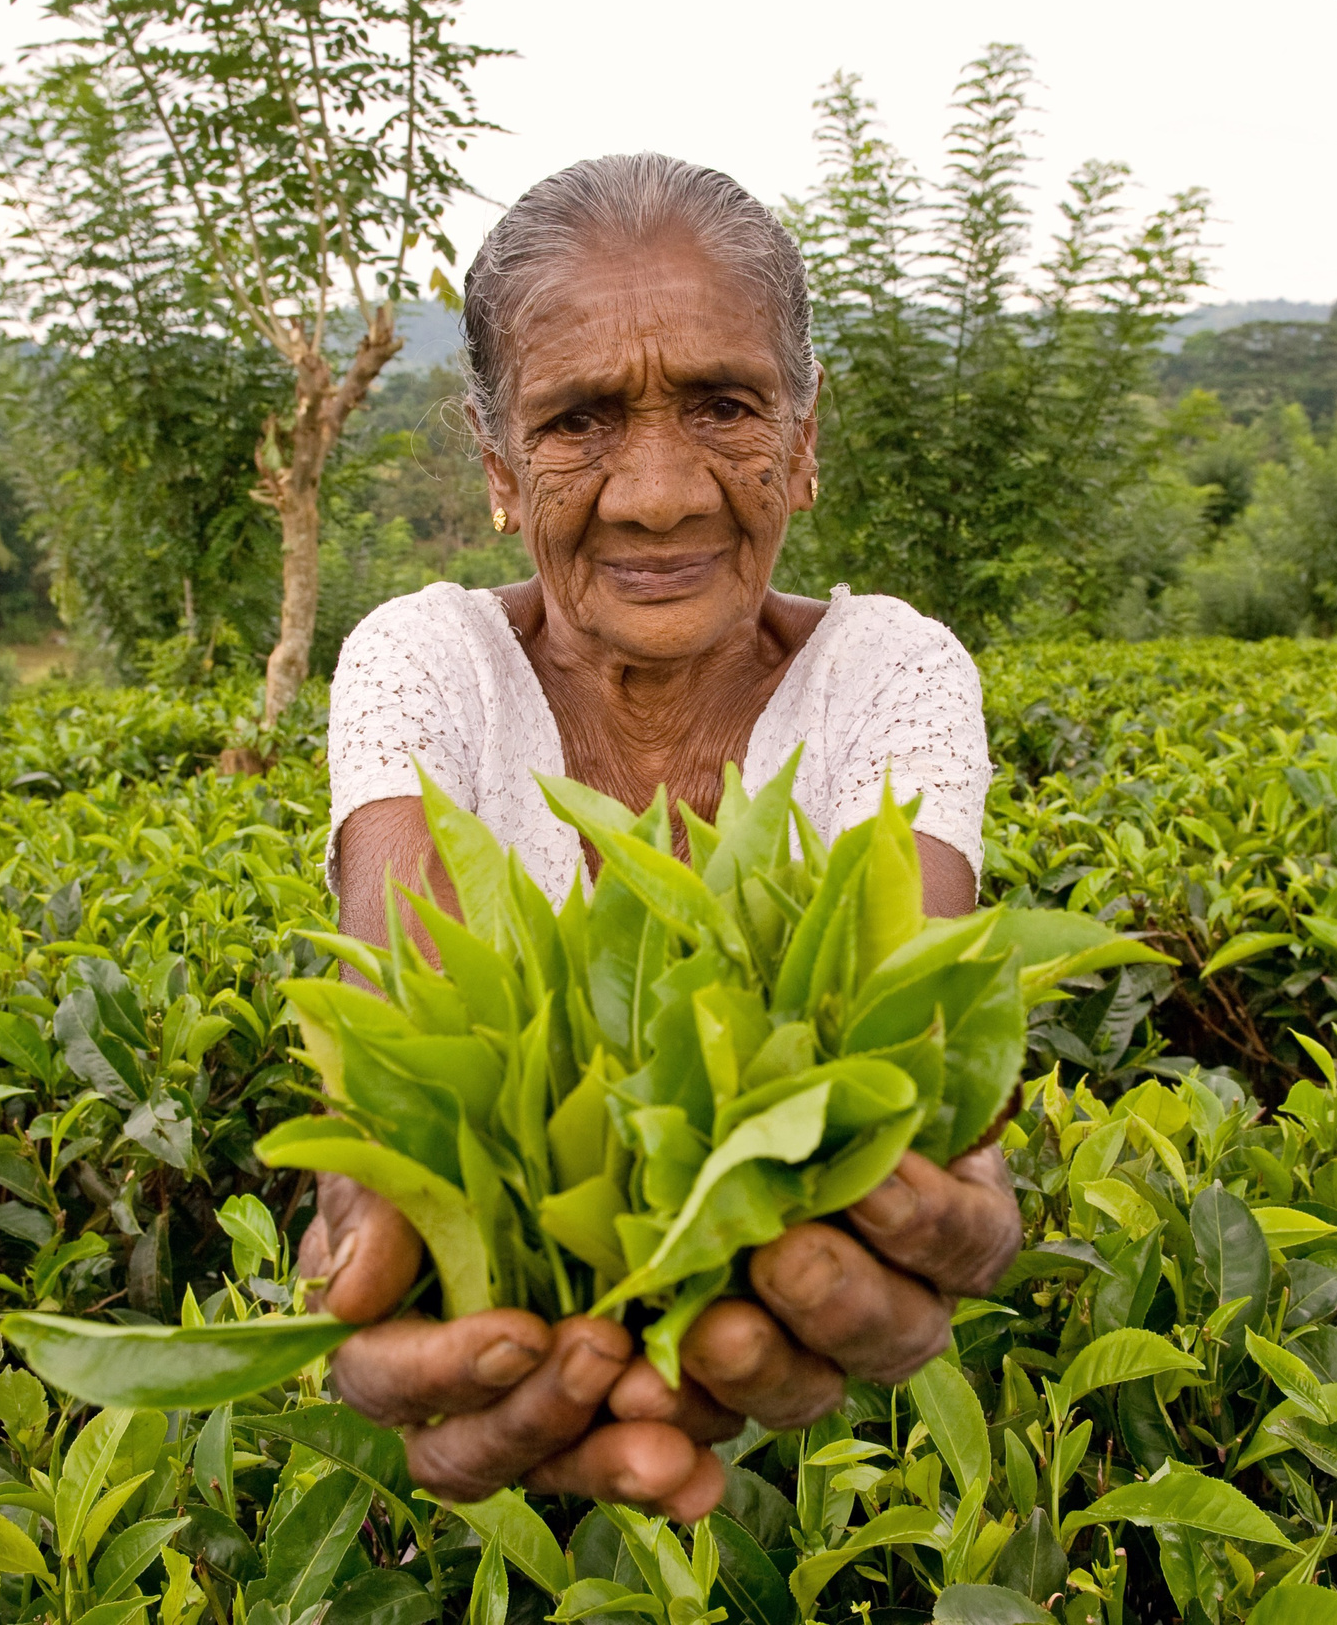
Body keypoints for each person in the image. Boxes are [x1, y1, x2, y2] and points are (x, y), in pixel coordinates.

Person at [310, 153, 1021, 1523]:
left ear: (804, 441)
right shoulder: (426, 661)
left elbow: (917, 1043)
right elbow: (388, 1028)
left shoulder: (892, 671)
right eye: (579, 422)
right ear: (500, 468)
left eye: (723, 407)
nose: (658, 493)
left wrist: (945, 1165)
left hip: (837, 1490)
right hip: (488, 1490)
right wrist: (371, 1217)